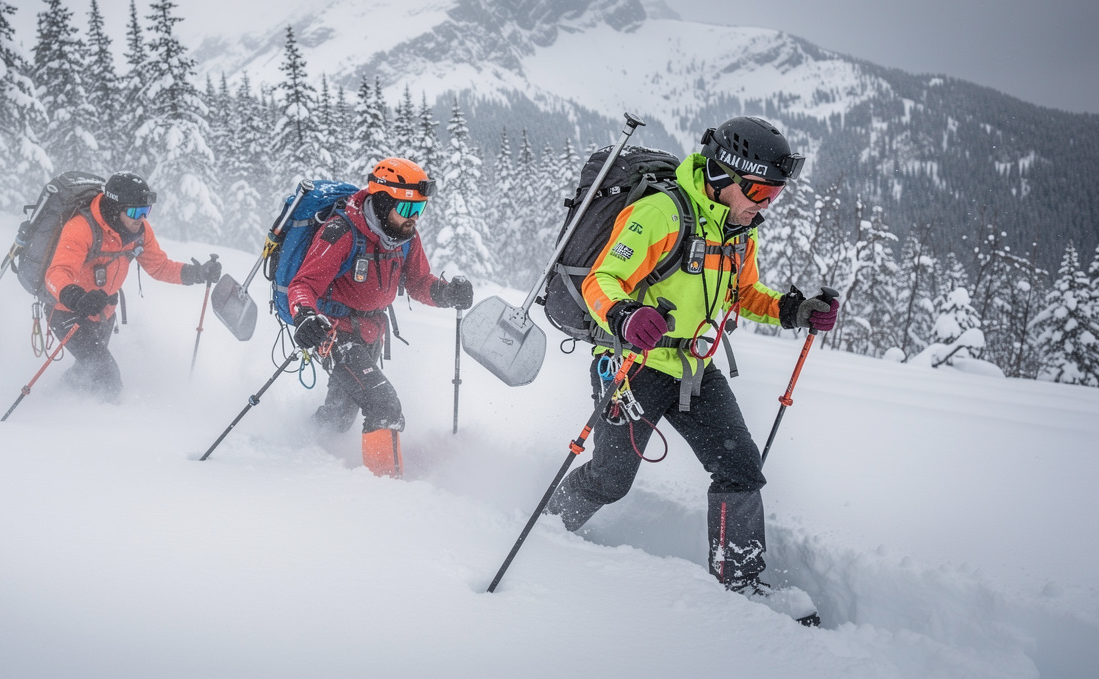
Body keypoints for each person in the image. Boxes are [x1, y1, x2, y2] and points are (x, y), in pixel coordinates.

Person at [546, 116, 839, 601]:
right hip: (632, 368)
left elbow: (743, 296)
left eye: (776, 195)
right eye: (762, 193)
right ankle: (552, 527)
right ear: (726, 176)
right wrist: (625, 315)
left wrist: (793, 310)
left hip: (694, 370)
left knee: (741, 467)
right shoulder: (660, 214)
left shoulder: (742, 231)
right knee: (611, 479)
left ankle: (739, 585)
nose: (768, 205)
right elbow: (602, 280)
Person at [287, 158, 474, 478]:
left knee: (341, 414)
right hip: (334, 332)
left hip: (371, 332)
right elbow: (303, 284)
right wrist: (305, 315)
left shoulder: (405, 238)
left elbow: (417, 282)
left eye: (420, 211)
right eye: (408, 210)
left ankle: (300, 445)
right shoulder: (341, 230)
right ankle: (388, 493)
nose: (414, 220)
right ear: (384, 200)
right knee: (384, 405)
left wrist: (446, 294)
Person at [43, 171, 222, 402]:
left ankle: (54, 400)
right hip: (67, 312)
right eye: (135, 211)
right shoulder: (82, 228)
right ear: (115, 208)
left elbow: (159, 267)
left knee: (87, 370)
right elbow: (56, 273)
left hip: (103, 313)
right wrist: (77, 297)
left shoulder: (139, 232)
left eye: (146, 211)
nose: (141, 218)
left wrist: (197, 273)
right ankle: (109, 428)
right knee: (107, 379)